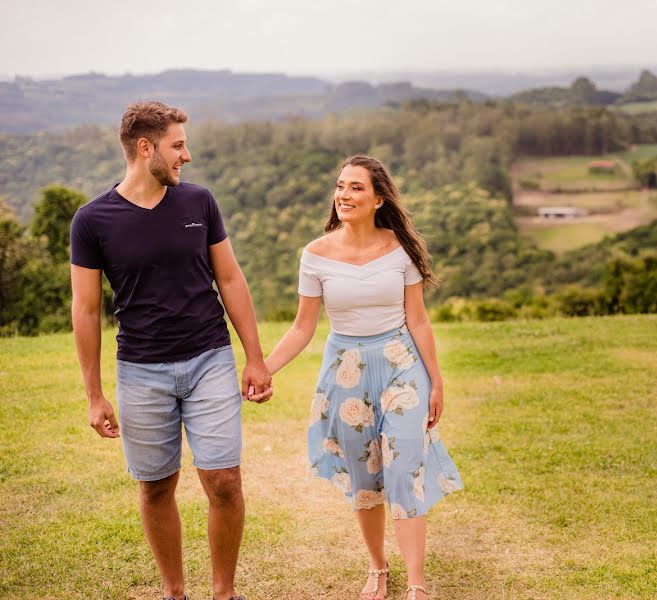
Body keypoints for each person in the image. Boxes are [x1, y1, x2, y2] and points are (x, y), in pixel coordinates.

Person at [70, 101, 272, 600]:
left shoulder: (199, 203)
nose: (187, 154)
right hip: (141, 371)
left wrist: (255, 357)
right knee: (155, 486)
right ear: (146, 148)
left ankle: (223, 593)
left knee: (224, 481)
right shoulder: (92, 220)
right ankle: (174, 592)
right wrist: (94, 394)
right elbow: (86, 309)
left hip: (210, 359)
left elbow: (230, 278)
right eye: (177, 145)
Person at [265, 155, 462, 599]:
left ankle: (417, 584)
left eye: (355, 188)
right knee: (366, 475)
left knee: (405, 466)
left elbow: (420, 320)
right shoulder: (315, 255)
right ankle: (378, 567)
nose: (344, 195)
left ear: (377, 199)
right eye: (340, 186)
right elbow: (302, 327)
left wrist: (436, 380)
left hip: (401, 366)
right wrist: (264, 369)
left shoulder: (399, 249)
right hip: (346, 372)